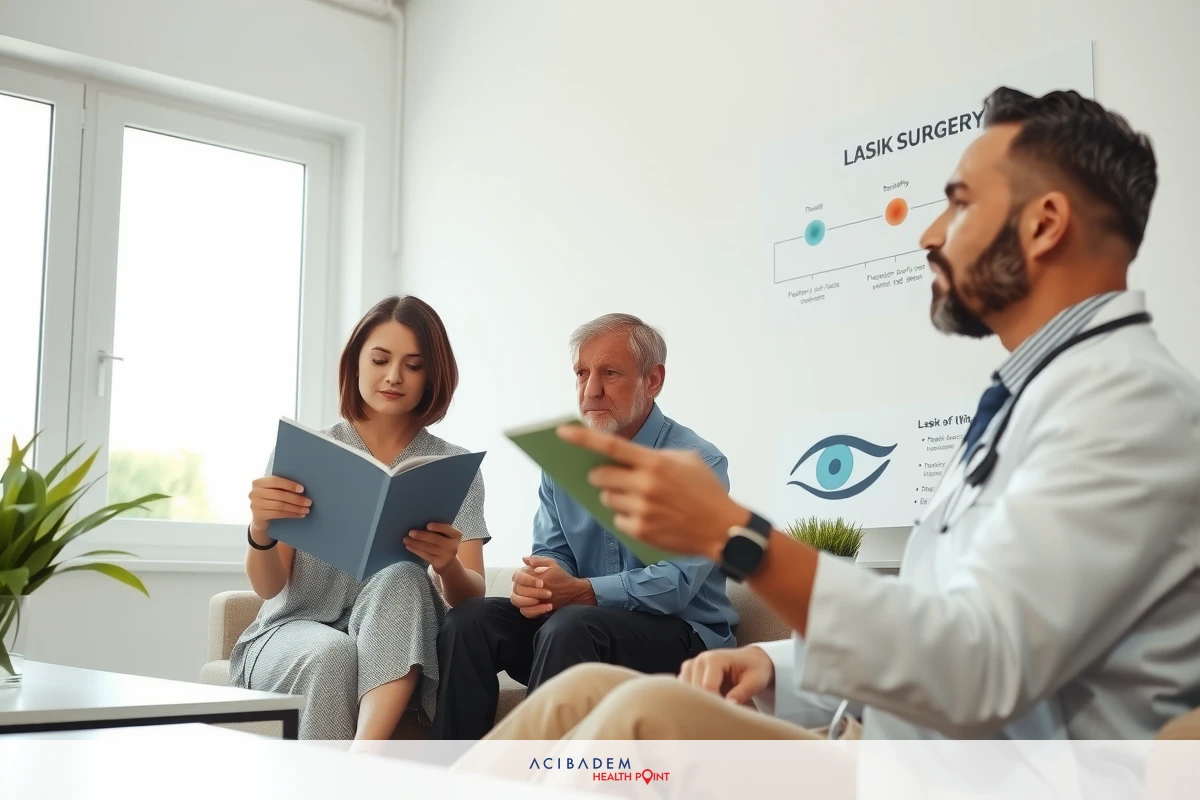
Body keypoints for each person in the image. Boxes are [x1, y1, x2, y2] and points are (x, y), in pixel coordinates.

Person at [474, 87, 1200, 741]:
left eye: (961, 202)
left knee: (630, 713)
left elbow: (983, 666)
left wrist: (734, 534)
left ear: (1044, 224)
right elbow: (943, 623)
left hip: (974, 779)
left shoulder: (1125, 406)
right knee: (590, 696)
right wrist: (779, 664)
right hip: (895, 750)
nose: (929, 234)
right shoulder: (1037, 397)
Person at [430, 313, 737, 739]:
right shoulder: (564, 461)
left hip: (681, 639)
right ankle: (450, 778)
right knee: (469, 621)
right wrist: (540, 582)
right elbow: (554, 554)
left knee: (569, 626)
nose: (591, 390)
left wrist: (584, 592)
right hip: (580, 632)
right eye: (582, 373)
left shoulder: (698, 464)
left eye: (610, 374)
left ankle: (537, 781)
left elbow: (678, 583)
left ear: (653, 380)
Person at [228, 295, 490, 741]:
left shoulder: (453, 466)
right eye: (380, 359)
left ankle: (364, 763)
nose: (393, 376)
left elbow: (472, 598)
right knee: (333, 653)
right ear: (355, 364)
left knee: (405, 575)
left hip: (395, 641)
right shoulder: (307, 453)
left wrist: (446, 565)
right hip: (292, 632)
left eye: (413, 364)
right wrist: (260, 530)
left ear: (433, 375)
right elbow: (269, 588)